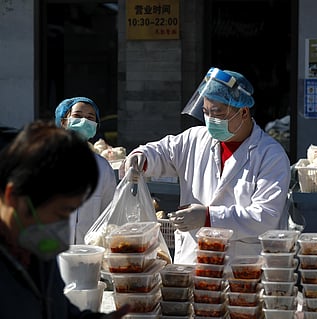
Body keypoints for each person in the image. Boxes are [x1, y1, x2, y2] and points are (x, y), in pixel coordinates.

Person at [120, 67, 291, 264]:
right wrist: (142, 156)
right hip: (191, 263)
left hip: (239, 271)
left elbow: (266, 217)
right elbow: (162, 151)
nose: (210, 120)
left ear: (243, 112)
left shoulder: (271, 155)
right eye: (205, 112)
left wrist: (208, 217)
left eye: (217, 113)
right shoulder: (196, 139)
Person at [0, 120, 130, 318]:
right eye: (61, 213)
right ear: (14, 197)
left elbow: (58, 312)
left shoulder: (35, 246)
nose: (63, 228)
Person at [55, 97, 117, 244]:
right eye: (77, 116)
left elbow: (109, 213)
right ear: (64, 122)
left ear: (95, 126)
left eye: (90, 117)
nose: (84, 121)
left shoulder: (102, 168)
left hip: (89, 253)